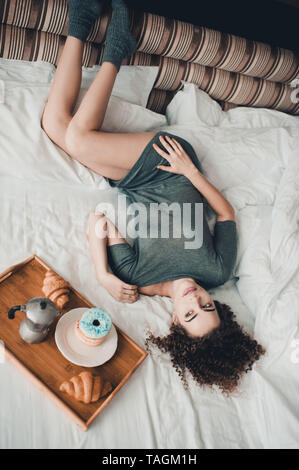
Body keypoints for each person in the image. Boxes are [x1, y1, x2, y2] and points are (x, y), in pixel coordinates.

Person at [41, 0, 265, 395]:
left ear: (175, 321)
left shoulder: (137, 280)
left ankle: (81, 21)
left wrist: (103, 275)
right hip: (171, 164)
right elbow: (226, 212)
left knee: (56, 126)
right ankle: (115, 47)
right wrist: (191, 172)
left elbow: (99, 223)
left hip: (134, 182)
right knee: (75, 138)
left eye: (191, 313)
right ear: (220, 306)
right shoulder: (217, 272)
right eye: (209, 307)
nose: (196, 299)